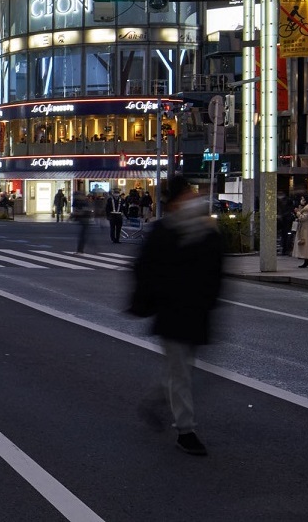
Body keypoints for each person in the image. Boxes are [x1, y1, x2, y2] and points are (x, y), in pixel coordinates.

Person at [126, 176, 226, 456]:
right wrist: (147, 302)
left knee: (182, 370)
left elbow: (217, 269)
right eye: (184, 195)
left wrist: (210, 301)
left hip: (196, 311)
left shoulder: (206, 230)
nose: (189, 199)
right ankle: (186, 430)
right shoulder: (165, 231)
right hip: (172, 311)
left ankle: (153, 401)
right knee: (181, 371)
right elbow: (144, 269)